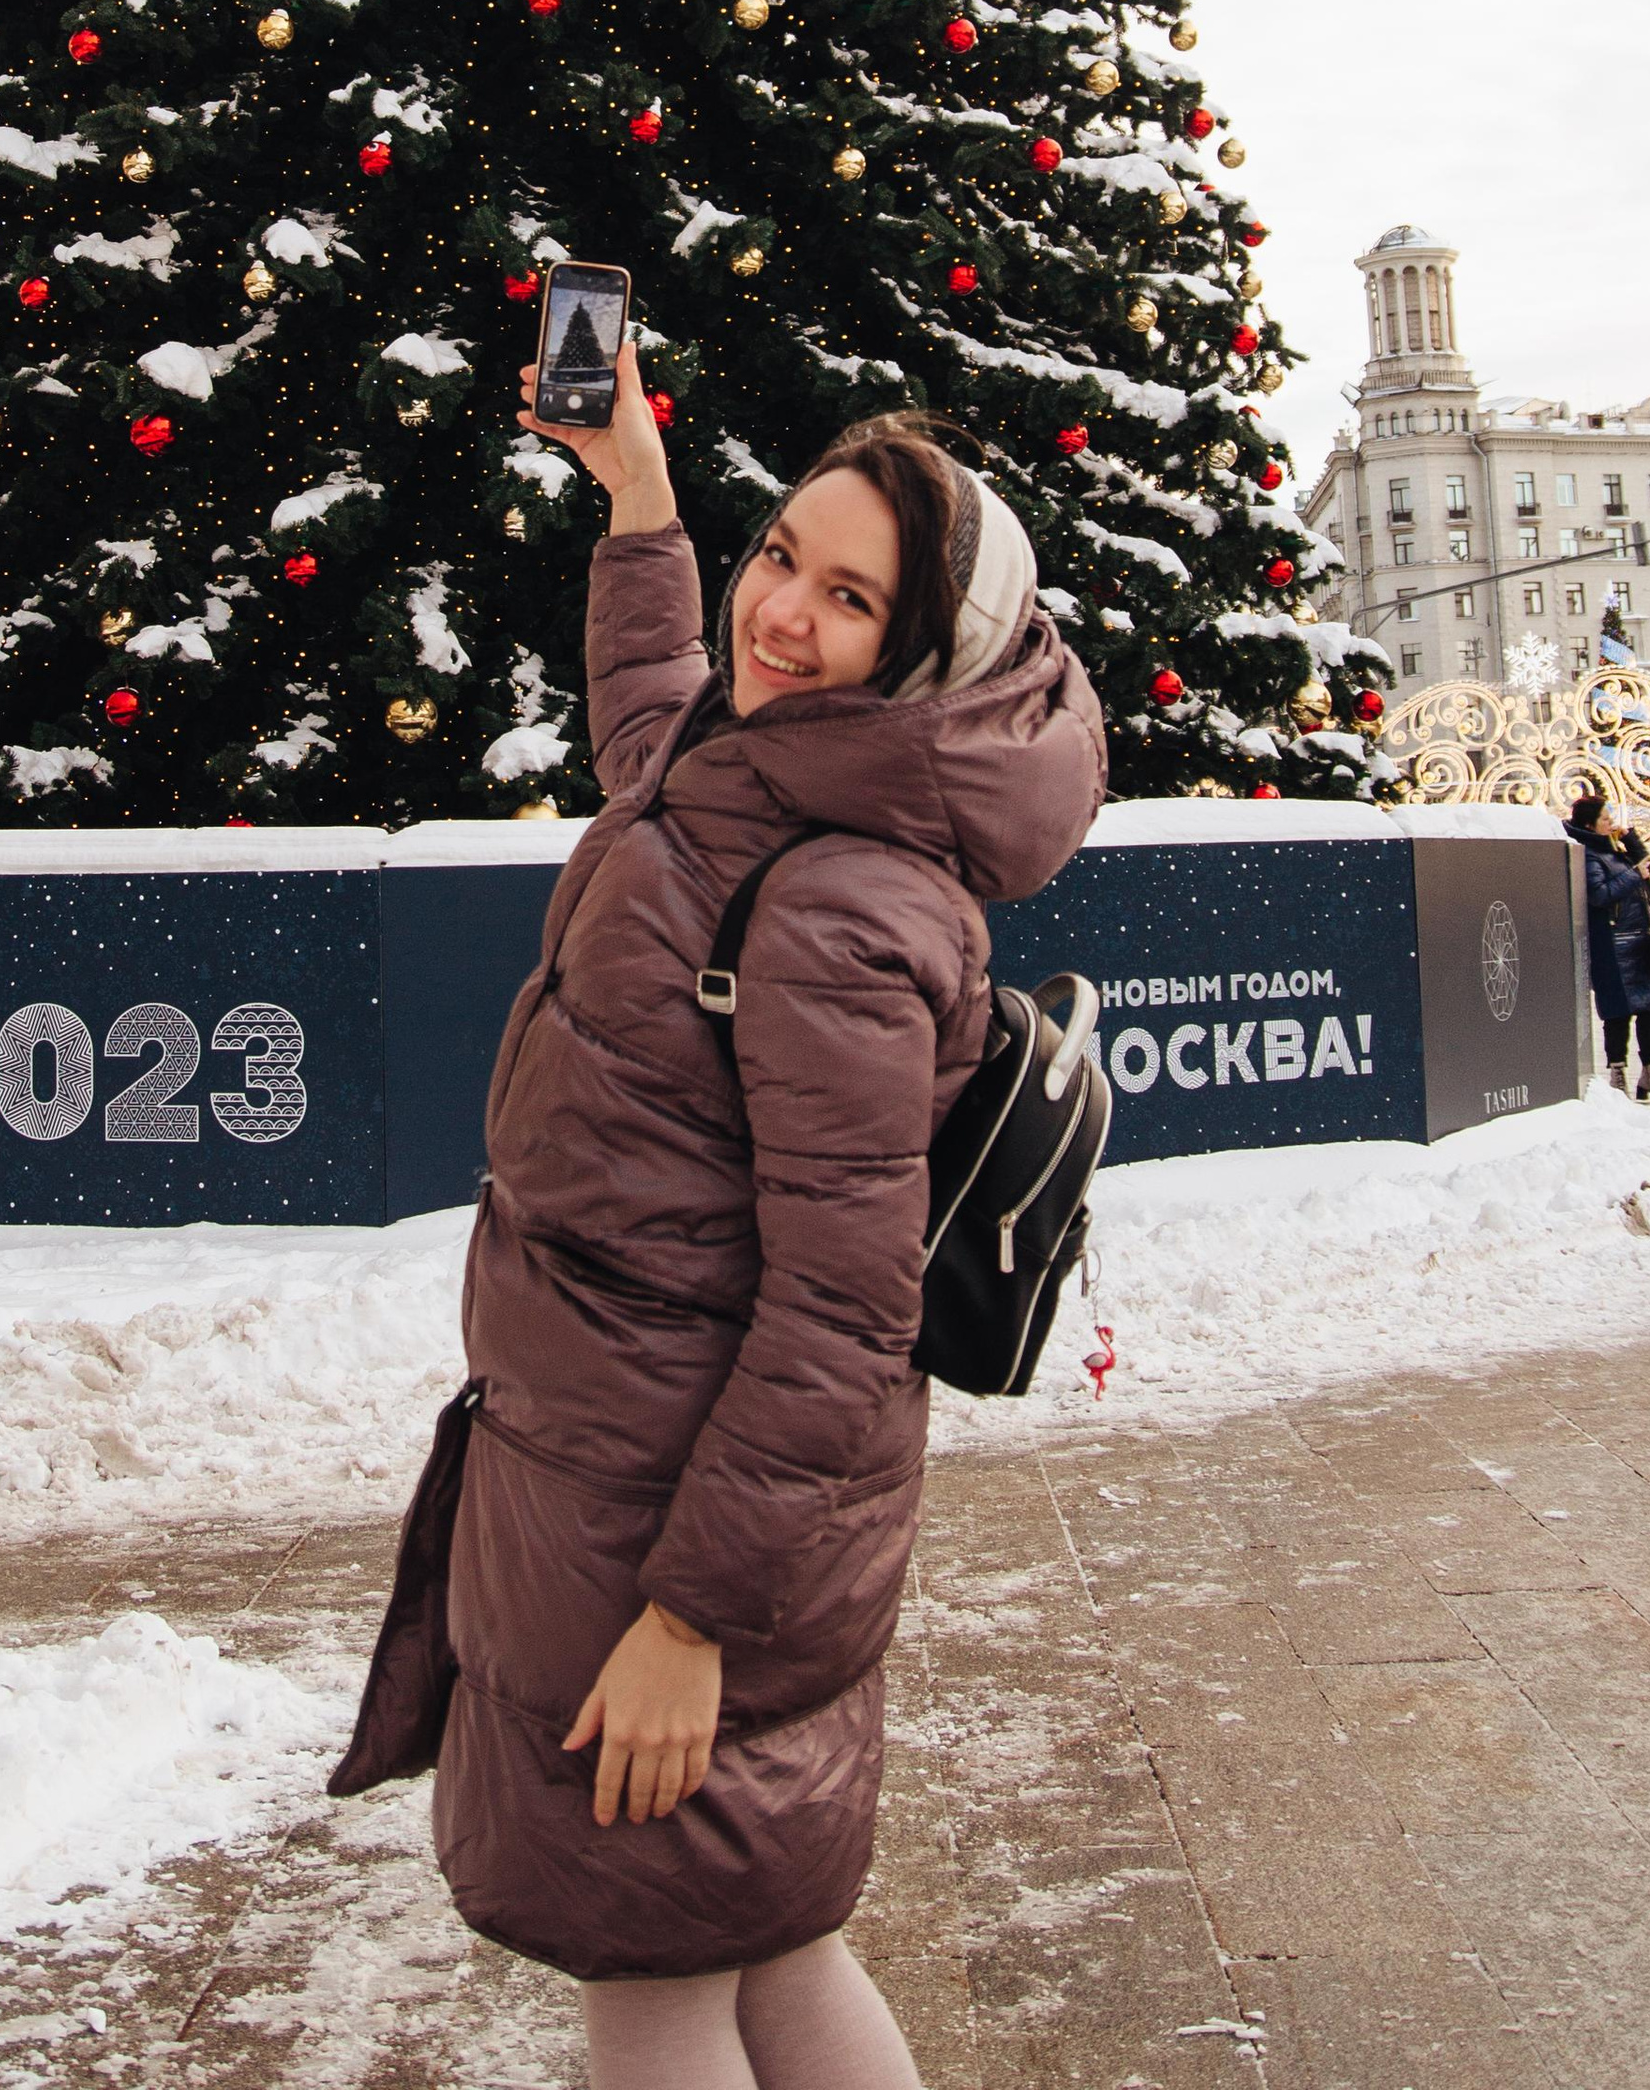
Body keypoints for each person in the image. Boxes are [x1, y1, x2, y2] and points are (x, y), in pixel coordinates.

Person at [340, 346, 1106, 2090]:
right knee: (759, 1942)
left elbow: (848, 1321)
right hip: (634, 1478)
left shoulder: (841, 901)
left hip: (672, 1528)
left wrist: (693, 1625)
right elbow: (650, 727)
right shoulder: (765, 776)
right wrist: (641, 498)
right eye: (781, 557)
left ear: (918, 656)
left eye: (850, 599)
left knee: (661, 1977)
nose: (783, 615)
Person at [1566, 791, 1650, 1101]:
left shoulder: (1613, 849)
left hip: (1641, 945)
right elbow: (1599, 895)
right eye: (1605, 818)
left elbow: (1644, 867)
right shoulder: (1589, 854)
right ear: (1590, 824)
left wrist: (1632, 839)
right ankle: (1618, 1077)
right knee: (1618, 1015)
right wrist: (1633, 875)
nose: (1612, 822)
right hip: (1614, 948)